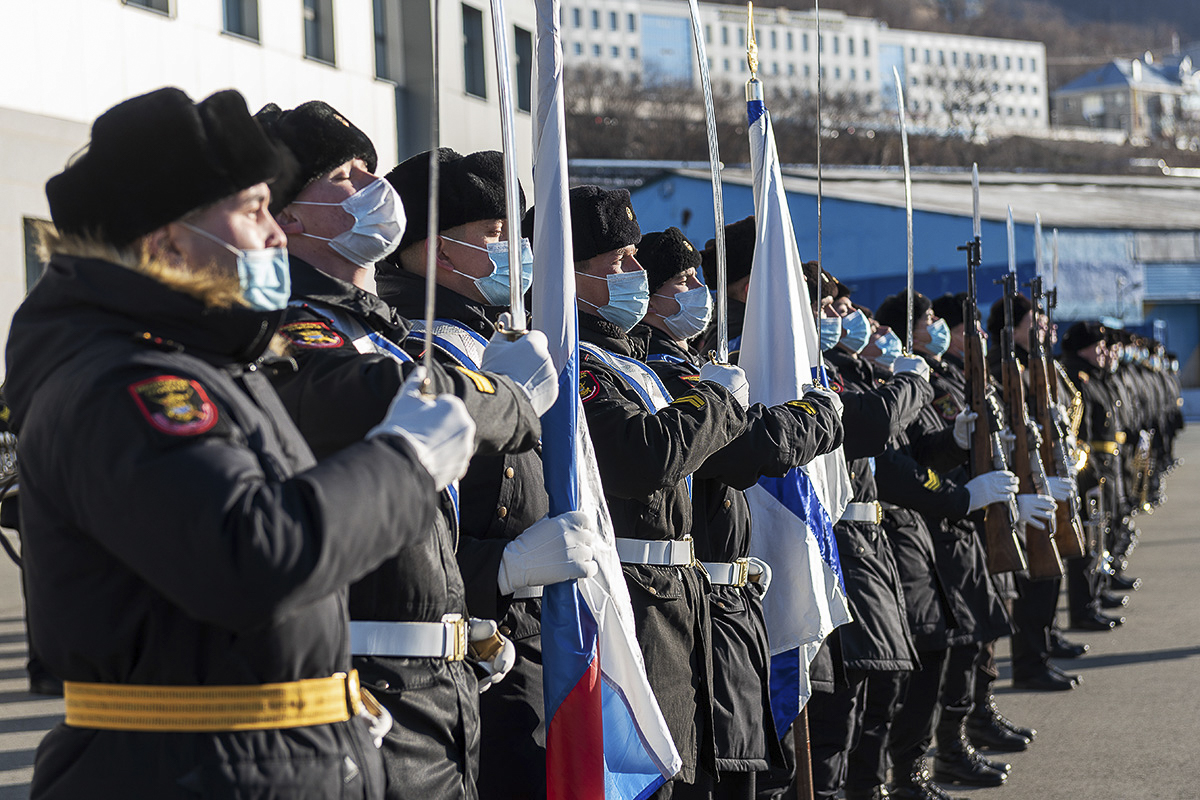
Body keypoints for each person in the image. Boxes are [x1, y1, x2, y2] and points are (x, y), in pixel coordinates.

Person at [6, 87, 478, 799]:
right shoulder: (126, 382)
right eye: (254, 209)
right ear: (166, 240)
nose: (277, 234)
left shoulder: (209, 361)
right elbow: (252, 555)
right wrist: (404, 464)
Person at [254, 109, 571, 799]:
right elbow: (386, 396)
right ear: (289, 216)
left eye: (370, 167)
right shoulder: (289, 327)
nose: (375, 185)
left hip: (433, 680)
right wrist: (509, 398)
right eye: (343, 176)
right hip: (364, 688)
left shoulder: (378, 326)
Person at [375, 147, 598, 800]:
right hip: (467, 642)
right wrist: (497, 568)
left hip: (531, 633)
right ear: (438, 250)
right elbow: (399, 526)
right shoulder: (410, 352)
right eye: (497, 236)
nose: (517, 252)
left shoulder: (496, 338)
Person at [638, 227, 844, 799]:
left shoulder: (701, 366)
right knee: (722, 779)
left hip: (731, 600)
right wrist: (818, 414)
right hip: (696, 601)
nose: (699, 291)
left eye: (702, 279)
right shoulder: (661, 374)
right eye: (684, 281)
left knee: (754, 771)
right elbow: (749, 450)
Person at [569, 187, 750, 796]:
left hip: (676, 592)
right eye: (619, 261)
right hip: (633, 600)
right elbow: (646, 456)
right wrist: (721, 401)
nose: (638, 273)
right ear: (571, 274)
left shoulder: (626, 360)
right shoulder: (583, 362)